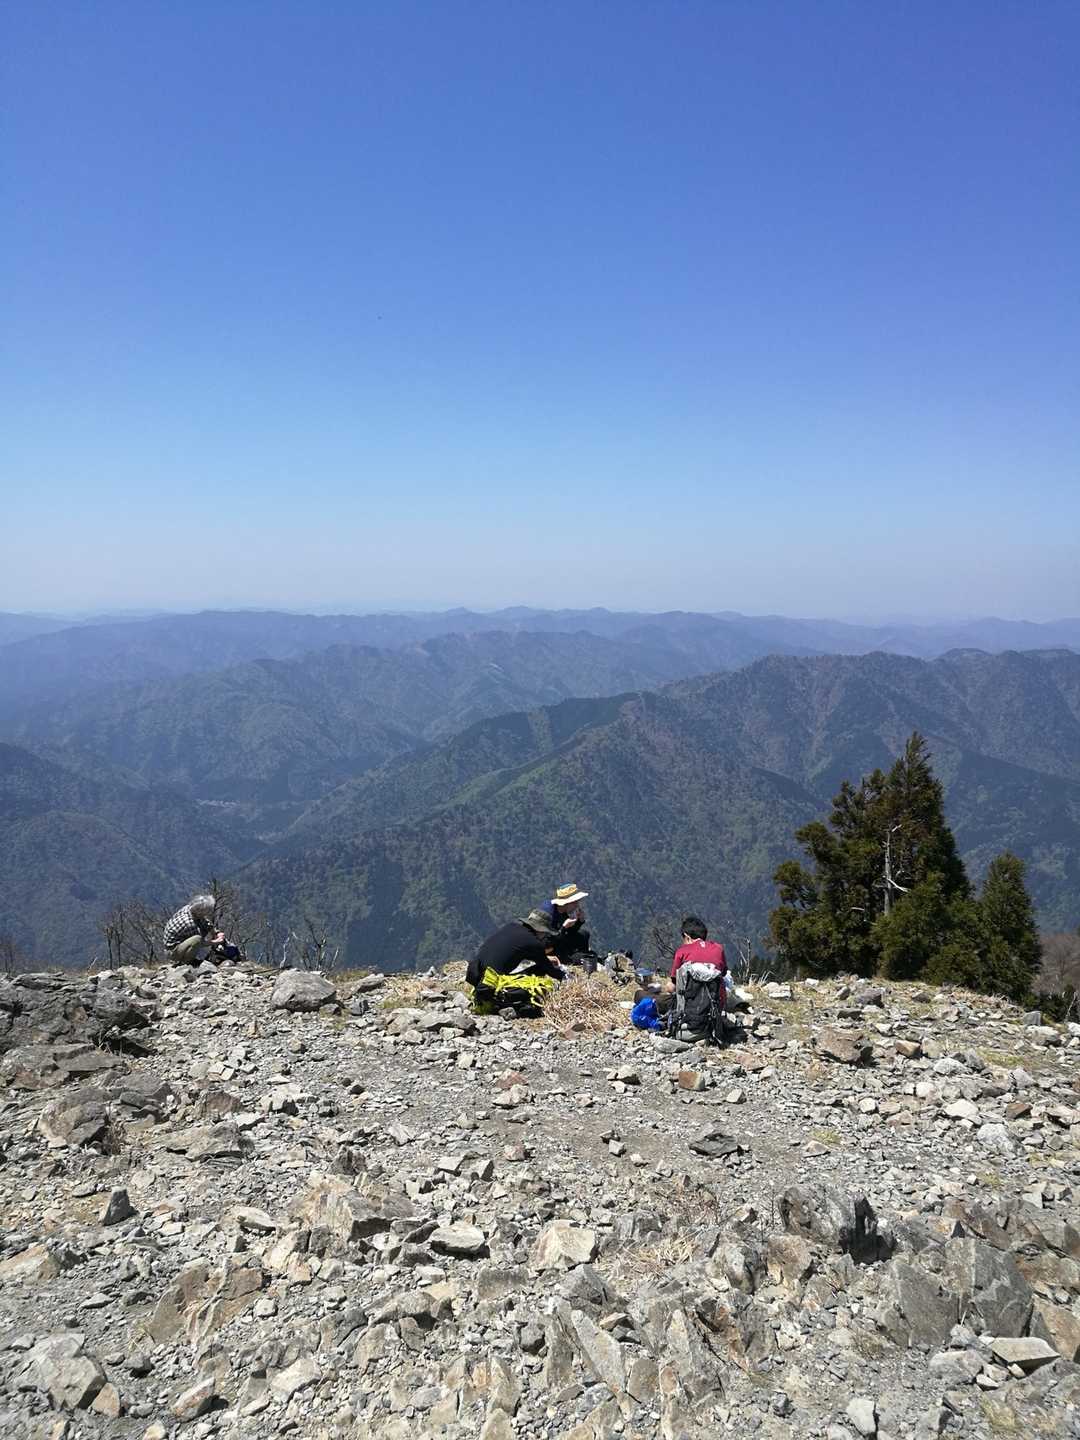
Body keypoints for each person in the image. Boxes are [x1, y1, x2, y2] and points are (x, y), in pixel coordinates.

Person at [467, 909, 566, 1016]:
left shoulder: (511, 927)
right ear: (541, 930)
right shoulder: (533, 942)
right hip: (492, 986)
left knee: (536, 969)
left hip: (477, 976)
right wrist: (564, 976)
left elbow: (513, 949)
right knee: (537, 990)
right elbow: (549, 969)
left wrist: (544, 958)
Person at [162, 894, 238, 965]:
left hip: (178, 942)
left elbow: (204, 920)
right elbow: (200, 943)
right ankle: (187, 962)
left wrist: (216, 932)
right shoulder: (189, 923)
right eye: (207, 911)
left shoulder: (190, 908)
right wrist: (216, 941)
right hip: (172, 950)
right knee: (197, 939)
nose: (208, 913)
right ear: (200, 911)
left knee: (200, 932)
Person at [540, 883, 593, 967]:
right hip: (548, 947)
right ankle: (575, 959)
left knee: (584, 934)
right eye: (575, 902)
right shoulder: (549, 914)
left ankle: (581, 957)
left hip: (558, 939)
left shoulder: (563, 910)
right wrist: (564, 928)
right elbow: (548, 940)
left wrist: (579, 921)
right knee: (582, 958)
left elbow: (570, 932)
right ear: (566, 903)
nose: (577, 905)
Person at [667, 915, 727, 987]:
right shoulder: (718, 948)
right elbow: (723, 972)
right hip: (716, 993)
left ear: (687, 937)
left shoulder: (681, 951)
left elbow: (675, 980)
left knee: (669, 986)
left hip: (690, 993)